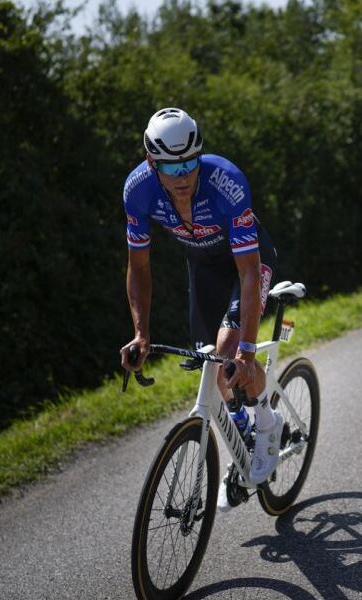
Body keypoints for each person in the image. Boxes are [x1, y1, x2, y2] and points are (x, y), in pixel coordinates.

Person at [119, 108, 281, 494]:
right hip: (203, 268)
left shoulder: (227, 182)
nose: (183, 177)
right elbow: (139, 267)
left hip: (247, 263)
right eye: (171, 168)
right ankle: (241, 434)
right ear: (151, 162)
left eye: (190, 163)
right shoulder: (137, 190)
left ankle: (268, 423)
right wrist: (141, 333)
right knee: (211, 358)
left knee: (228, 350)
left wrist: (245, 349)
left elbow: (247, 271)